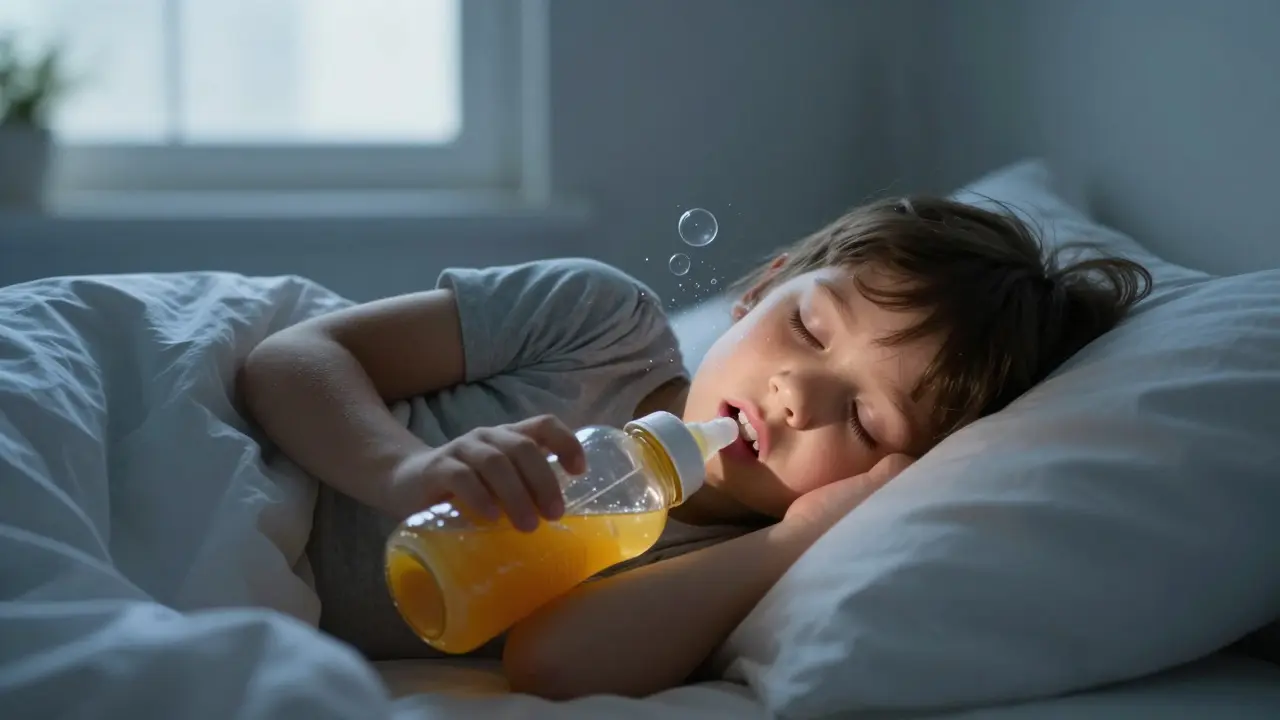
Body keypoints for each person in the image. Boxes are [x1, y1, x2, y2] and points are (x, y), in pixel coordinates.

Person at [239, 196, 1151, 700]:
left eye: (866, 423)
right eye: (811, 327)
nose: (798, 396)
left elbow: (552, 666)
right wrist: (403, 469)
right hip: (240, 472)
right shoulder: (594, 323)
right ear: (760, 291)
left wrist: (793, 542)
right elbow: (293, 360)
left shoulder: (729, 565)